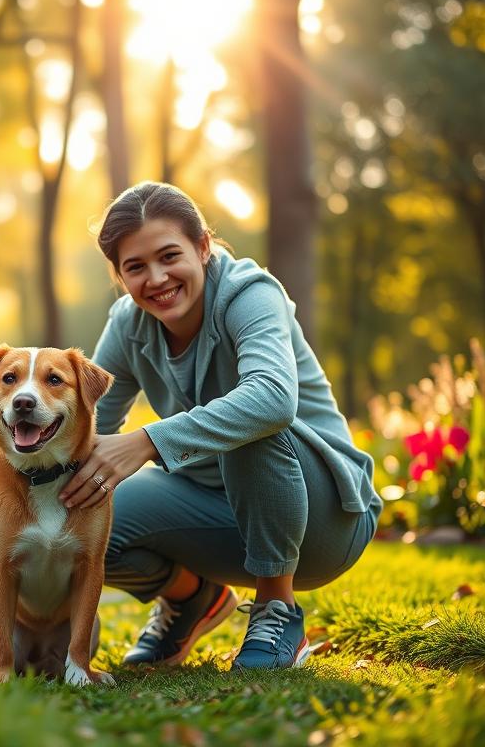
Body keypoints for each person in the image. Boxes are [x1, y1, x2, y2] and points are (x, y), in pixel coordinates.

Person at [58, 181, 382, 670]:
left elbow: (273, 401)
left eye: (170, 256)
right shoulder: (127, 323)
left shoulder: (250, 295)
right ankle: (194, 599)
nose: (157, 277)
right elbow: (86, 421)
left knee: (252, 419)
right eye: (136, 267)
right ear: (120, 275)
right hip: (221, 517)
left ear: (203, 247)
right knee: (79, 514)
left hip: (327, 520)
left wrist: (148, 441)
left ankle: (278, 609)